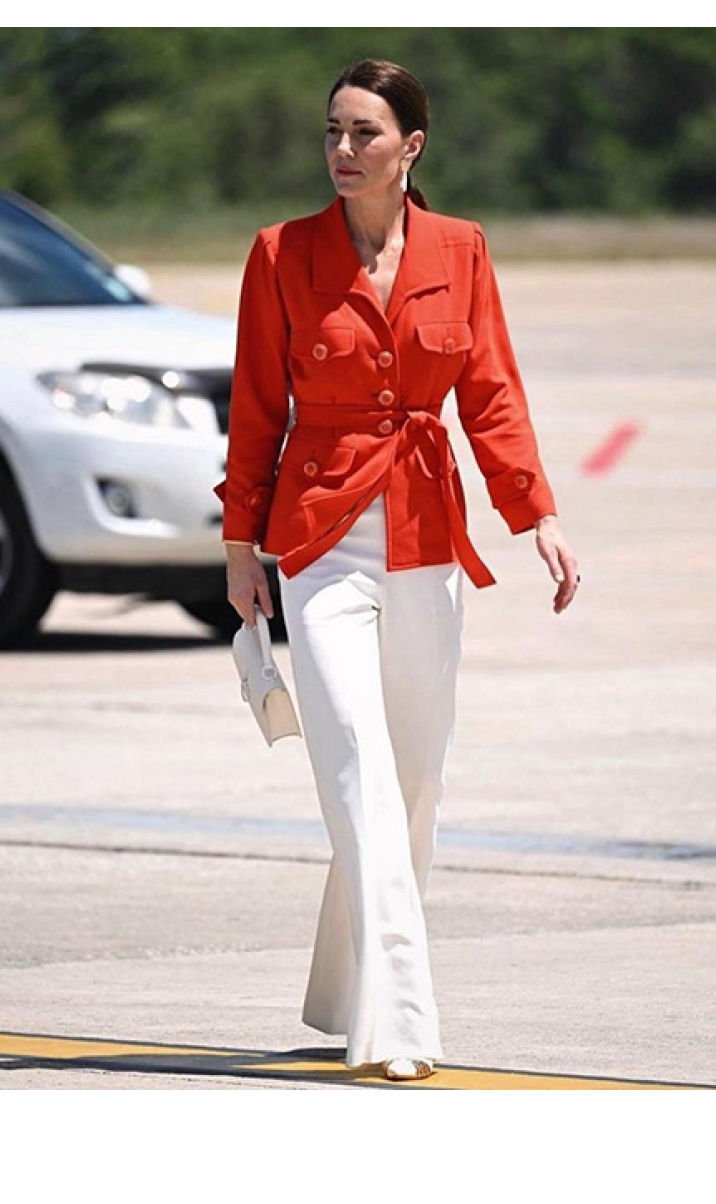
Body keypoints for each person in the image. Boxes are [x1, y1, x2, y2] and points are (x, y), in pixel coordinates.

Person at [216, 59, 579, 1081]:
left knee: (414, 781)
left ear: (410, 146)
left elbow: (491, 391)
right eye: (332, 131)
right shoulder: (280, 253)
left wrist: (536, 514)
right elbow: (255, 406)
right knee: (357, 773)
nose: (342, 150)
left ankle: (348, 990)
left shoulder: (462, 249)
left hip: (426, 533)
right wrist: (240, 545)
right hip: (319, 538)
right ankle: (401, 1020)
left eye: (363, 133)